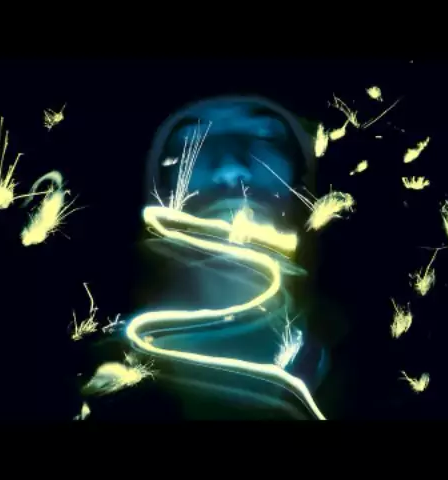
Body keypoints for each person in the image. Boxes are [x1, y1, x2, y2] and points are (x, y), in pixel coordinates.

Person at [127, 95, 335, 420]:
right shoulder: (105, 381)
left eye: (265, 135)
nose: (230, 167)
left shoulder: (372, 372)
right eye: (191, 140)